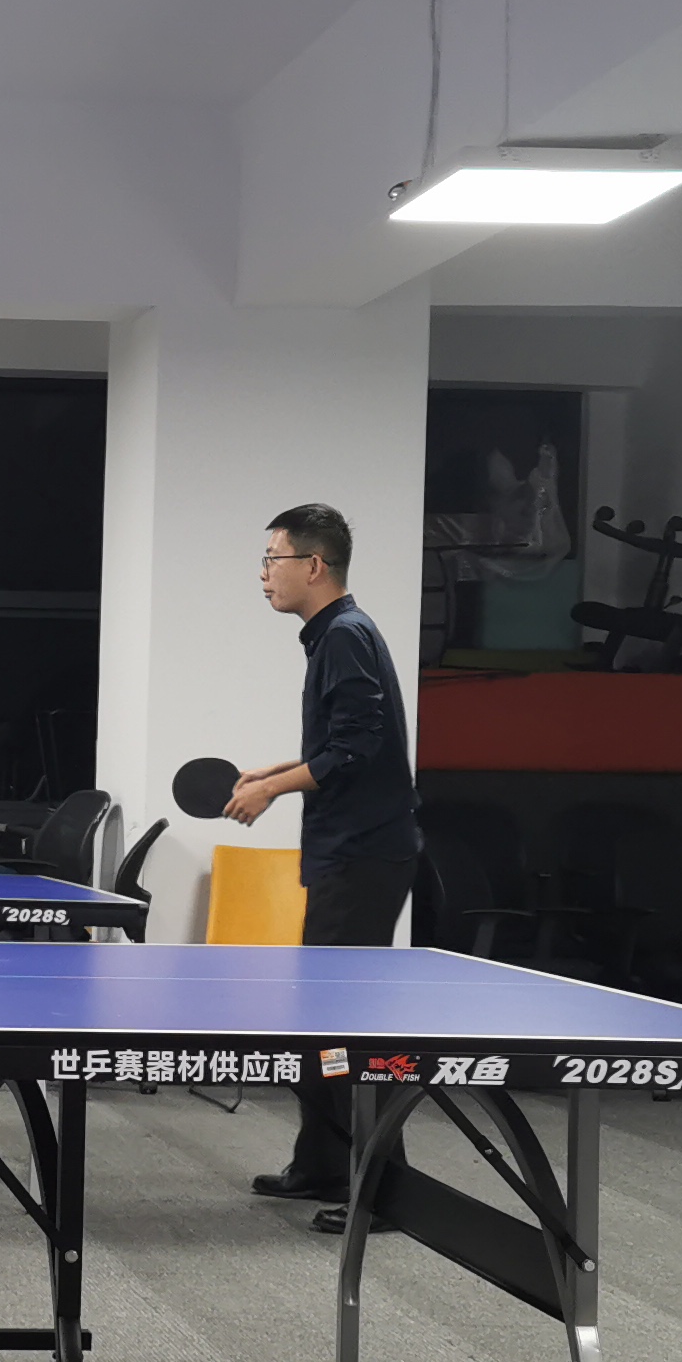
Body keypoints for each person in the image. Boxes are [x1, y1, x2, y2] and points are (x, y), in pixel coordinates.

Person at [224, 503, 421, 1231]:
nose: (263, 574)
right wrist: (278, 769)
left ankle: (382, 1190)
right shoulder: (336, 635)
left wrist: (274, 789)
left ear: (313, 566)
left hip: (365, 856)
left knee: (349, 1025)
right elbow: (348, 741)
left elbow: (360, 749)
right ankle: (323, 1162)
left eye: (272, 559)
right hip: (348, 849)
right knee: (321, 1019)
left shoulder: (344, 635)